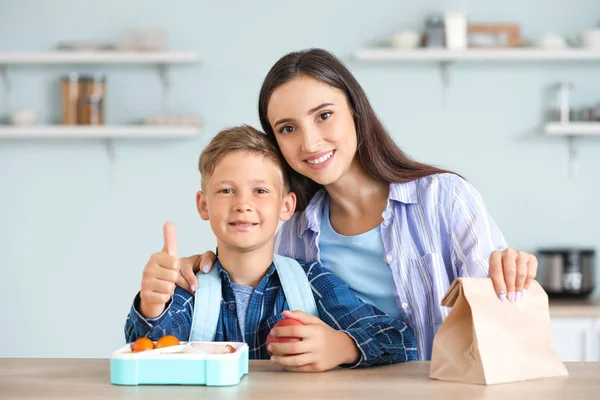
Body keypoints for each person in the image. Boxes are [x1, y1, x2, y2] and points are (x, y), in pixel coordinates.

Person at [175, 49, 539, 361]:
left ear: (355, 111)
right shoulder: (295, 234)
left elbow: (503, 311)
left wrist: (512, 271)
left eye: (324, 115)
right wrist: (203, 271)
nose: (310, 142)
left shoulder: (444, 198)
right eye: (288, 129)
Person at [125, 125, 417, 372]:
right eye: (226, 190)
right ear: (203, 205)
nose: (243, 204)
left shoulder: (312, 282)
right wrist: (151, 306)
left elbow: (400, 339)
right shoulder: (187, 288)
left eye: (261, 190)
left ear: (286, 206)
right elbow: (149, 354)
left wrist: (342, 347)